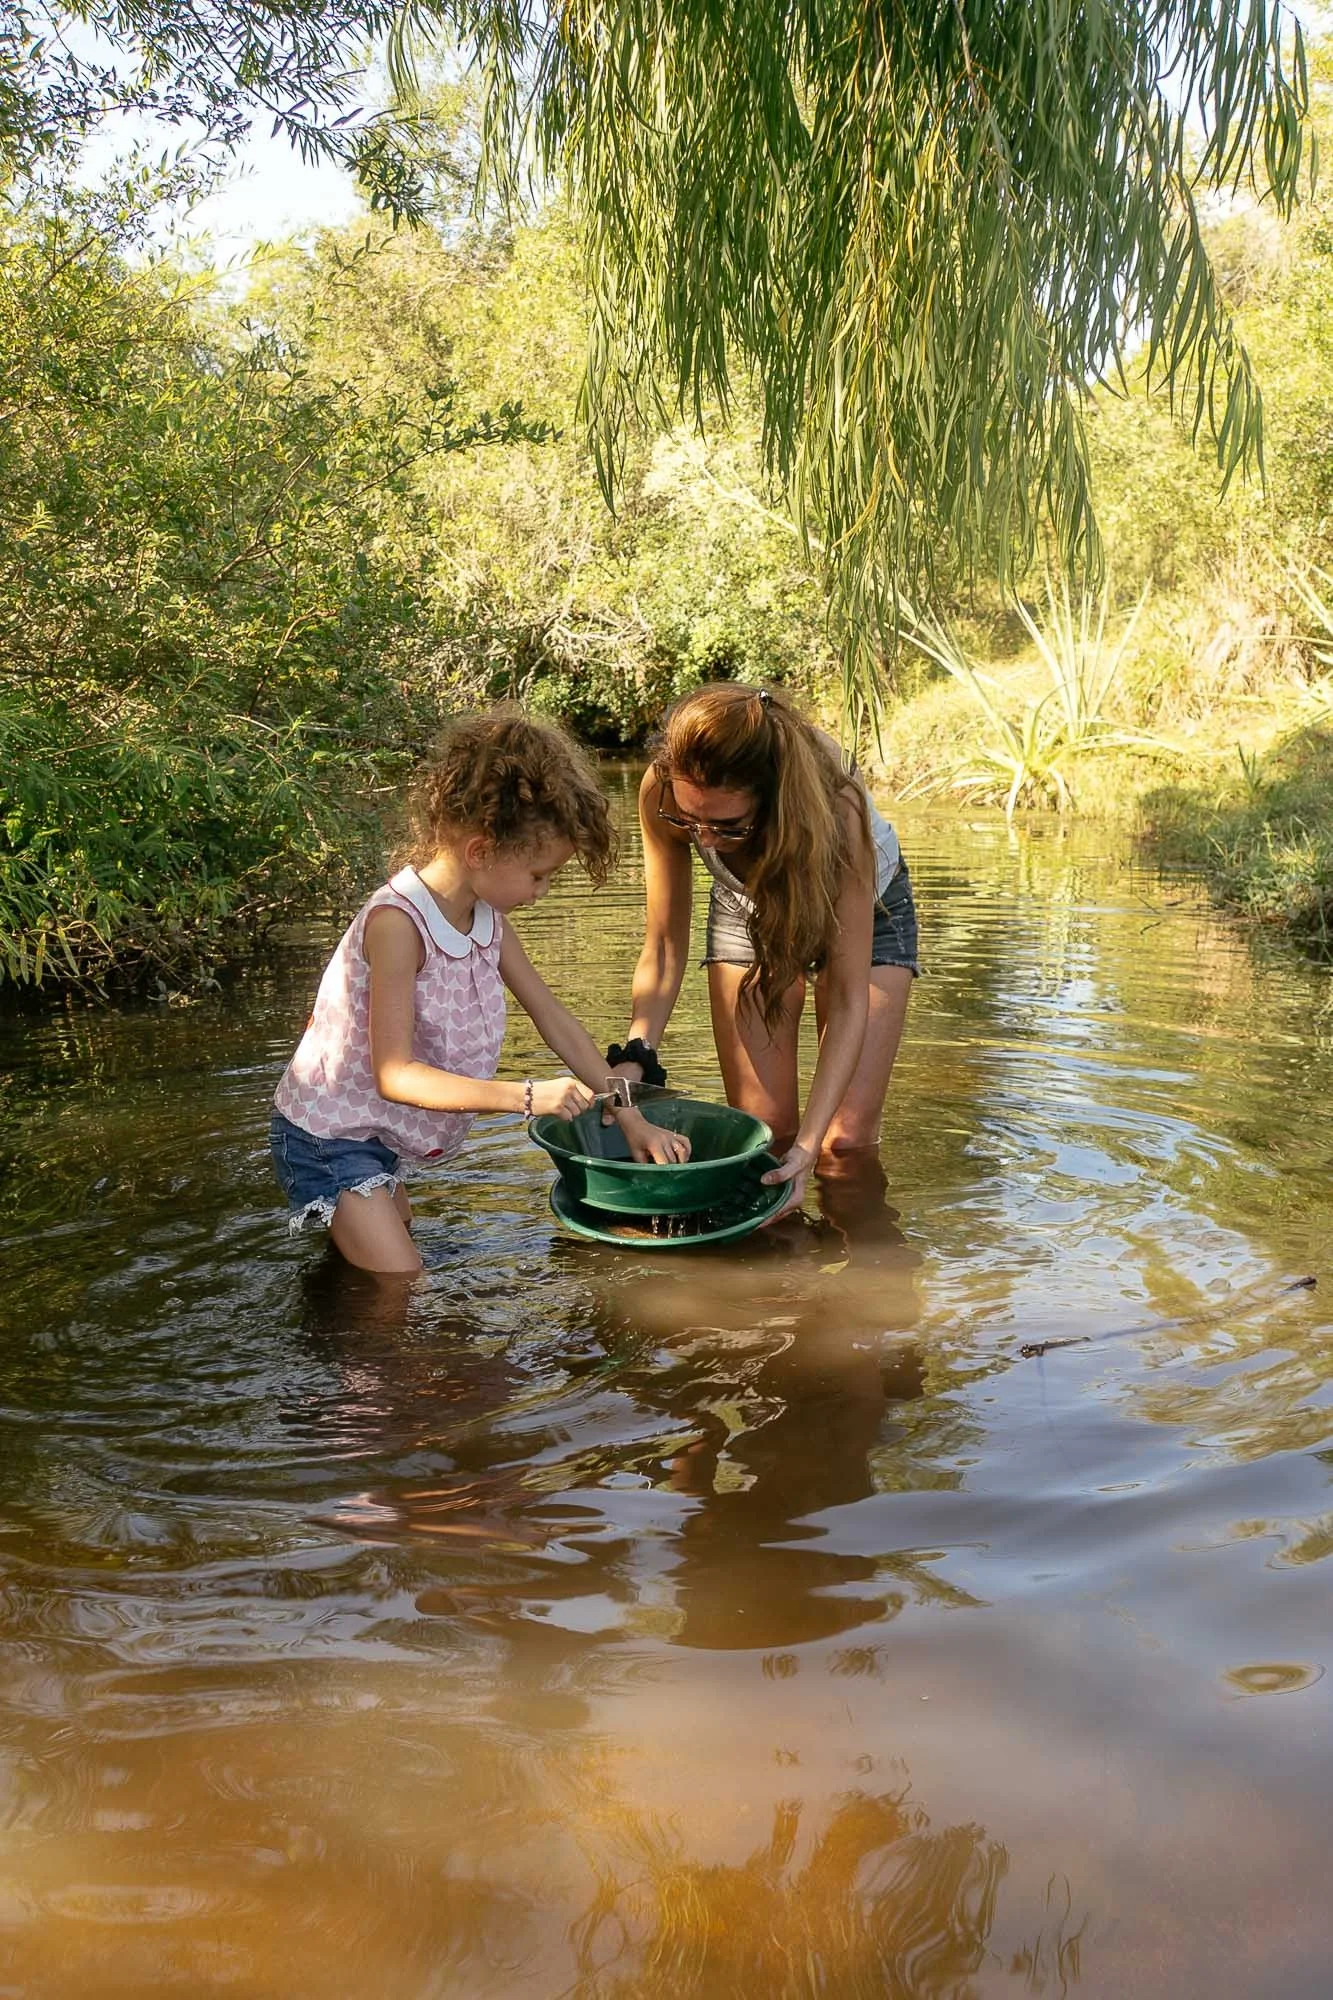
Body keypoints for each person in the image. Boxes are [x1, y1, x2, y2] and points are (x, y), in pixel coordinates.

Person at [270, 709, 689, 1275]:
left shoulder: (485, 918)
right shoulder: (398, 925)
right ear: (481, 850)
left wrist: (628, 1113)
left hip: (378, 1134)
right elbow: (394, 1074)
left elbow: (552, 1016)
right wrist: (525, 1096)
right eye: (539, 875)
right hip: (329, 1134)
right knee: (400, 1284)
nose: (541, 892)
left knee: (379, 1259)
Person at [609, 682, 917, 1215]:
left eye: (728, 826)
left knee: (841, 1146)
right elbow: (662, 947)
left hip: (869, 908)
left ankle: (860, 1277)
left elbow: (847, 1000)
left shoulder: (837, 812)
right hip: (745, 910)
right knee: (767, 1138)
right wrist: (635, 1057)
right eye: (690, 821)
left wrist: (809, 1147)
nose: (703, 840)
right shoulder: (661, 792)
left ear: (772, 796)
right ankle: (781, 1275)